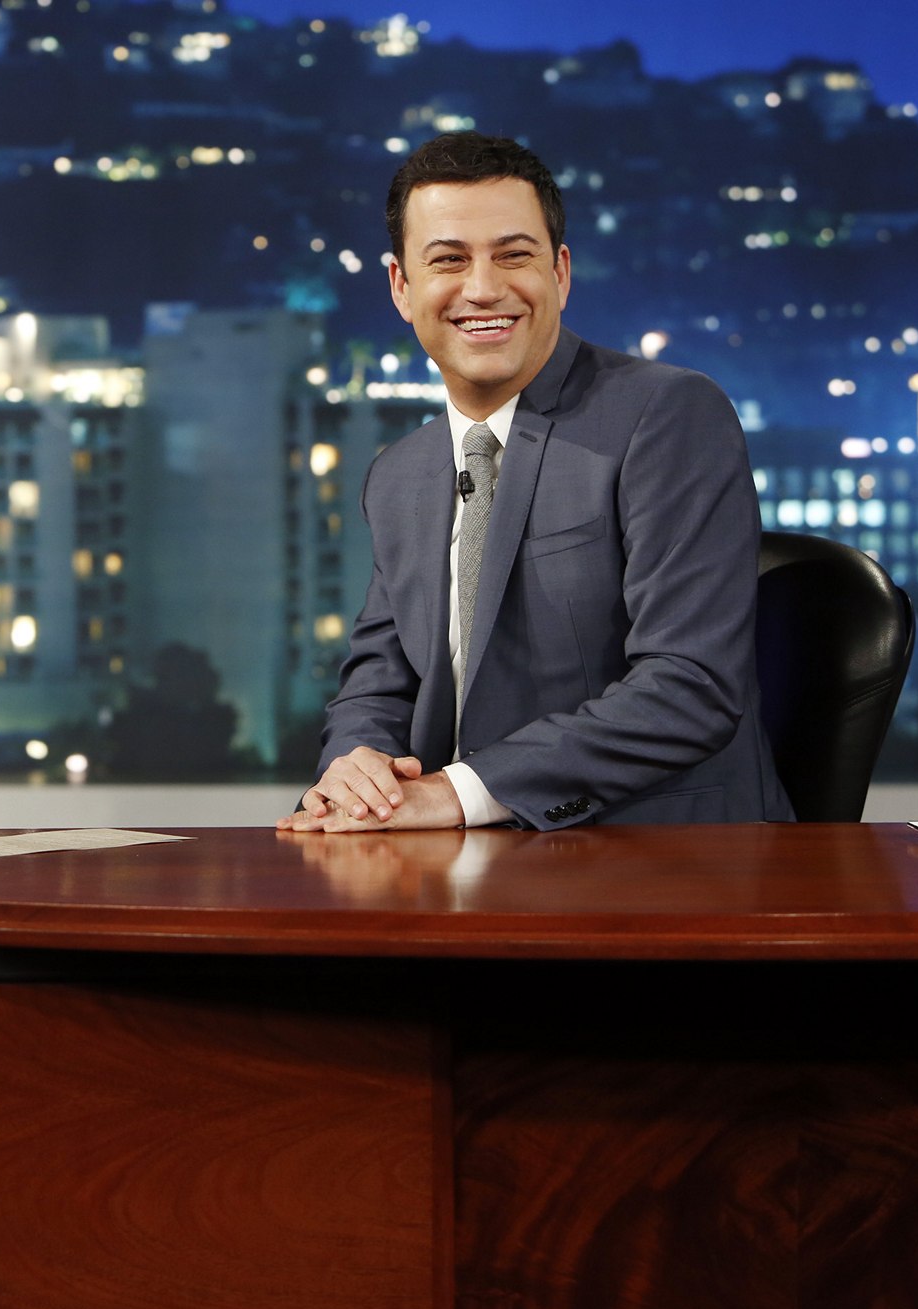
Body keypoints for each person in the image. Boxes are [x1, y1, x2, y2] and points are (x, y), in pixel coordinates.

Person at [281, 132, 792, 833]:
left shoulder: (668, 414)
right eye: (449, 260)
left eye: (514, 255)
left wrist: (456, 794)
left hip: (662, 860)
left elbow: (691, 684)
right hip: (458, 864)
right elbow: (379, 683)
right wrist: (356, 771)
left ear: (561, 272)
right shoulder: (398, 474)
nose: (483, 288)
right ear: (402, 286)